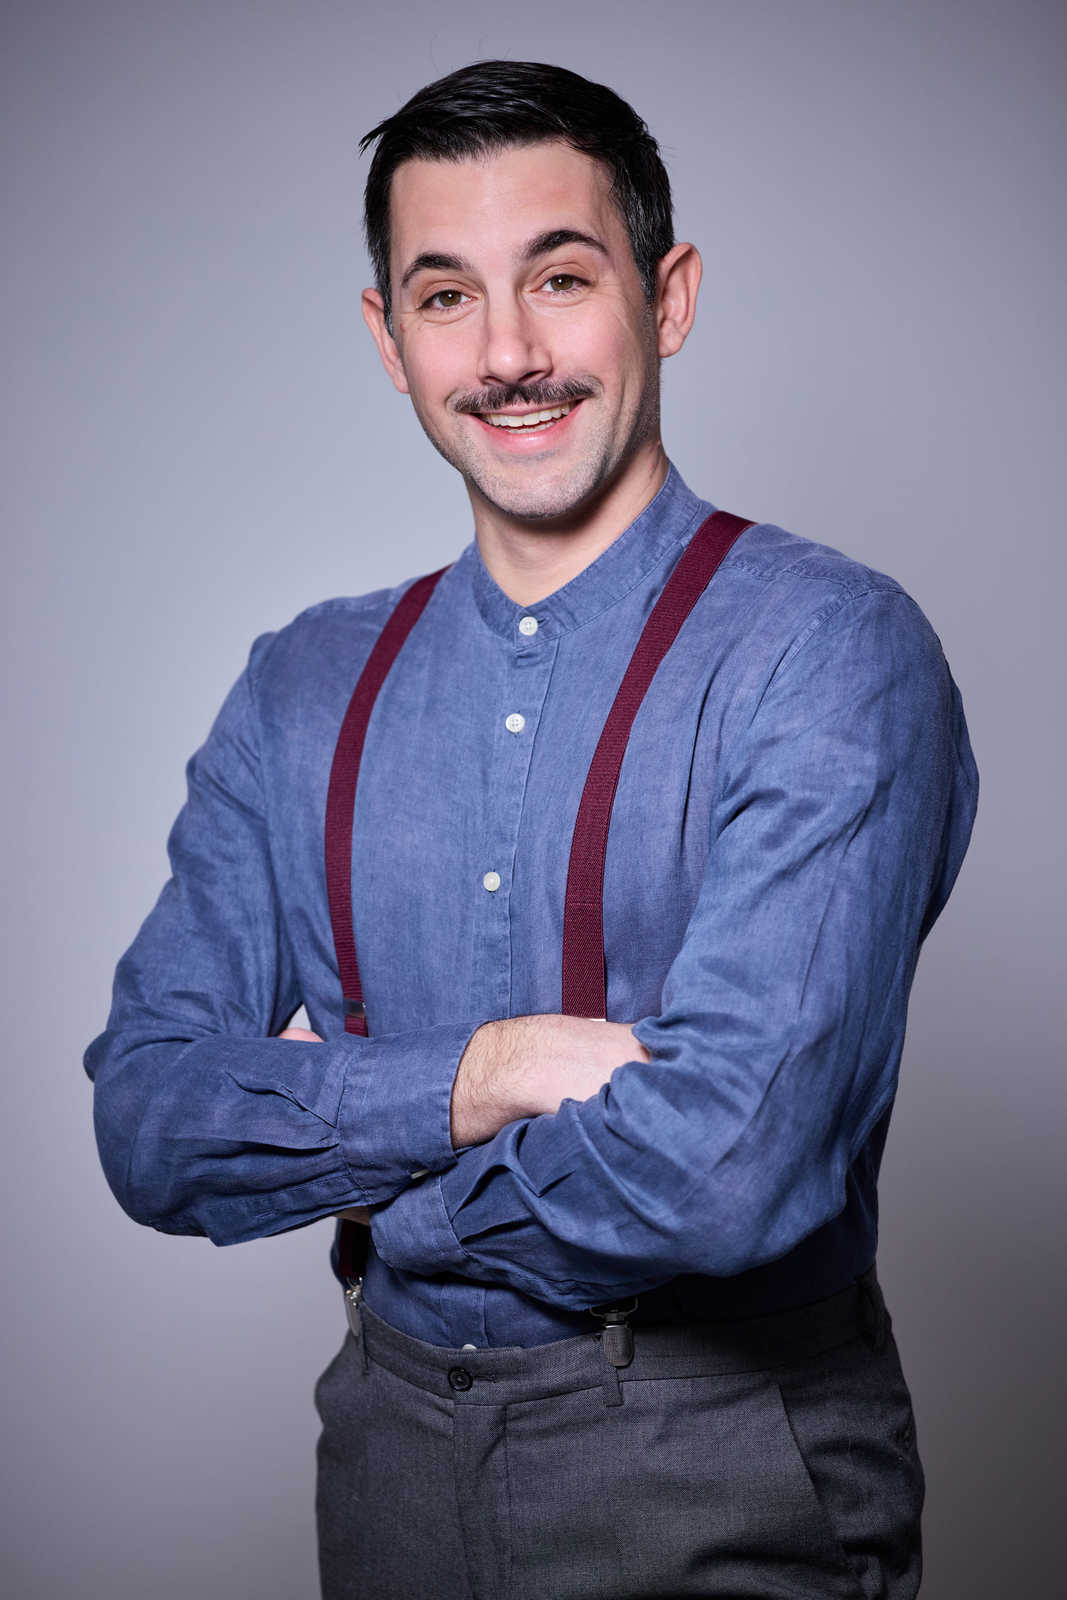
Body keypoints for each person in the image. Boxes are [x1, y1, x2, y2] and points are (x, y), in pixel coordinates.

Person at [85, 59, 978, 1600]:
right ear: (389, 338)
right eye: (447, 297)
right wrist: (486, 1075)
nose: (508, 355)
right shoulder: (299, 687)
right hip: (386, 1464)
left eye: (560, 278)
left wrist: (357, 1156)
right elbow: (149, 1122)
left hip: (719, 1462)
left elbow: (735, 1168)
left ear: (665, 297)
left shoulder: (829, 650)